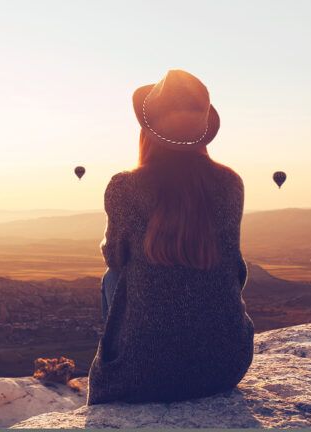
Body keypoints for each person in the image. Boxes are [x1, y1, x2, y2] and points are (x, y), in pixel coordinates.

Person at [88, 69, 254, 405]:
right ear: (203, 133)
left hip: (141, 374)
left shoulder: (124, 187)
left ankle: (125, 355)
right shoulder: (230, 184)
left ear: (147, 131)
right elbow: (233, 265)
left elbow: (116, 258)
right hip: (224, 364)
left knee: (112, 277)